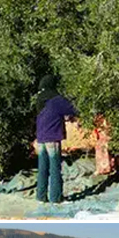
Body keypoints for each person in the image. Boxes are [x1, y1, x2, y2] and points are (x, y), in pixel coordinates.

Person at [33, 75, 78, 204]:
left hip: (41, 137)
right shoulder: (55, 99)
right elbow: (73, 109)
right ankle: (56, 198)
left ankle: (41, 196)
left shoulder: (40, 99)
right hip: (52, 137)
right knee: (55, 168)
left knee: (42, 168)